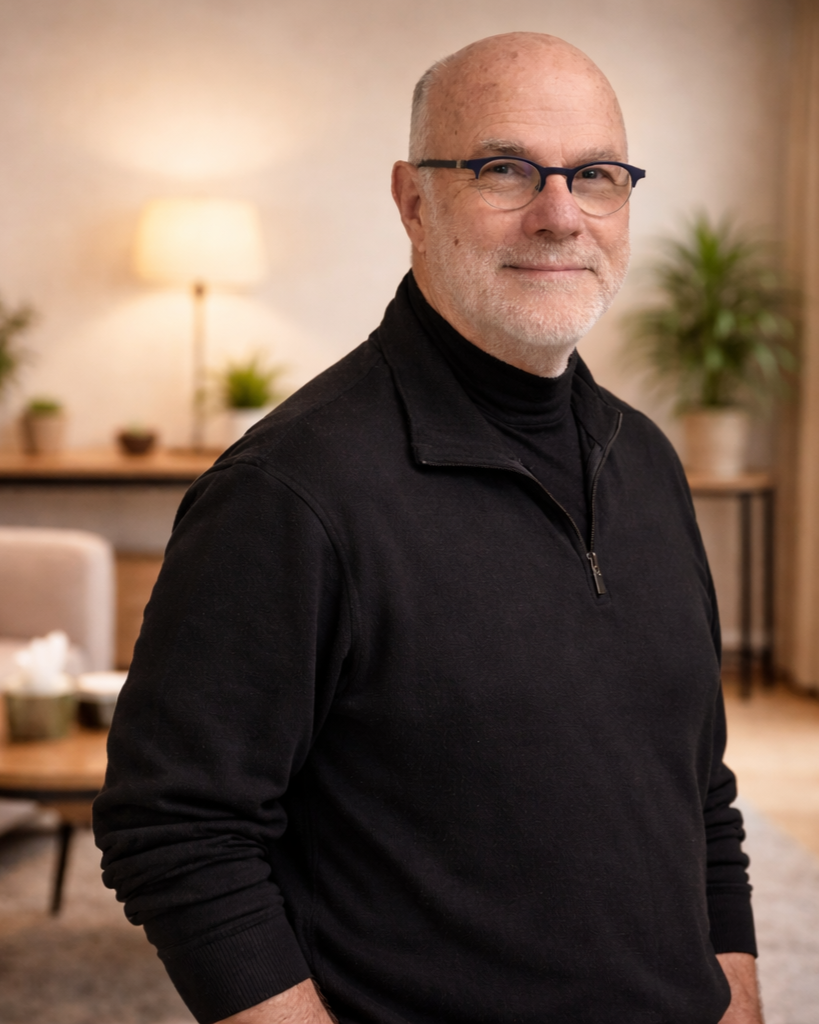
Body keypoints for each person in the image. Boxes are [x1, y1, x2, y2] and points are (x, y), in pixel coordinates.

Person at [94, 32, 763, 1024]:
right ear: (413, 200)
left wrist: (737, 1000)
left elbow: (697, 788)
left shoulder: (650, 462)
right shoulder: (290, 491)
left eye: (597, 175)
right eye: (505, 169)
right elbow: (177, 829)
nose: (559, 214)